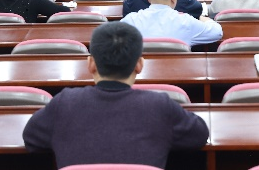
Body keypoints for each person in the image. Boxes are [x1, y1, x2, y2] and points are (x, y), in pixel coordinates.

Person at [22, 22, 209, 168]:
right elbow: (200, 135)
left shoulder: (64, 103)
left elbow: (31, 139)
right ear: (139, 65)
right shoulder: (159, 105)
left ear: (91, 64)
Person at [121, 0, 222, 47]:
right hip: (178, 70)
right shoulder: (186, 22)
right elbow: (217, 32)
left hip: (142, 70)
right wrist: (203, 18)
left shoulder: (131, 21)